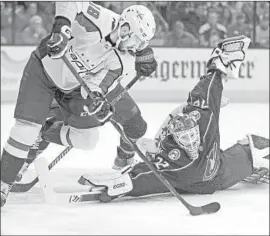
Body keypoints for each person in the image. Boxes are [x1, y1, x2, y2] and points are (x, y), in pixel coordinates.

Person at [0, 2, 157, 207]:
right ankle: (4, 182)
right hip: (43, 70)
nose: (138, 47)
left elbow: (95, 85)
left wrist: (97, 100)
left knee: (87, 139)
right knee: (26, 130)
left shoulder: (123, 60)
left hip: (72, 88)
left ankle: (45, 132)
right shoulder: (100, 19)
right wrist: (61, 29)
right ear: (125, 28)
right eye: (137, 39)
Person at [79, 36, 269, 202]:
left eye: (191, 136)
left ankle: (251, 163)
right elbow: (147, 178)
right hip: (214, 178)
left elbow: (204, 97)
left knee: (254, 144)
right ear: (176, 140)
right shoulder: (177, 164)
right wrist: (122, 185)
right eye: (184, 138)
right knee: (255, 151)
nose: (191, 142)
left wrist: (217, 68)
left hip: (219, 166)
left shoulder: (200, 124)